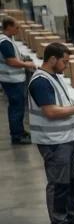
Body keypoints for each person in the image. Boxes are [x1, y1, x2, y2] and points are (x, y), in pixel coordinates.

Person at [28, 42, 74, 224]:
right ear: (53, 59)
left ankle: (71, 216)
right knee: (59, 184)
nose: (67, 65)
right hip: (54, 143)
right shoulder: (40, 81)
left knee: (73, 180)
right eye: (64, 62)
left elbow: (61, 104)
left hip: (67, 138)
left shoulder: (53, 77)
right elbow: (51, 111)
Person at [0, 16, 35, 144]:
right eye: (16, 27)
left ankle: (19, 131)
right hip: (11, 80)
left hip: (13, 79)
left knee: (18, 106)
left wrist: (23, 59)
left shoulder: (8, 39)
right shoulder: (5, 42)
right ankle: (17, 135)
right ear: (9, 27)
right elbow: (11, 62)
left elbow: (14, 57)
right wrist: (28, 65)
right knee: (16, 107)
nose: (18, 30)